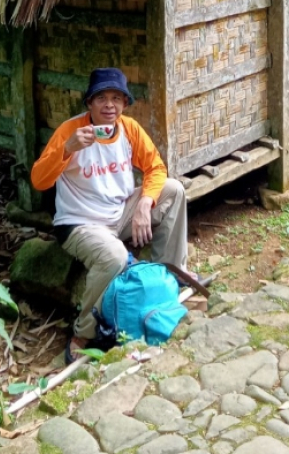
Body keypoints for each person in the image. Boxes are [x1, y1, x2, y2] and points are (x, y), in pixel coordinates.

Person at [30, 67, 190, 362]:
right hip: (80, 222)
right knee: (114, 256)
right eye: (101, 97)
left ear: (125, 105)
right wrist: (68, 148)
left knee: (173, 190)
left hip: (119, 212)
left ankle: (170, 274)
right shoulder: (70, 131)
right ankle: (83, 331)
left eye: (117, 98)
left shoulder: (128, 129)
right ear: (89, 103)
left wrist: (144, 204)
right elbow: (39, 180)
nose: (109, 105)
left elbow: (155, 167)